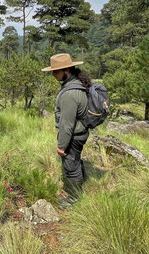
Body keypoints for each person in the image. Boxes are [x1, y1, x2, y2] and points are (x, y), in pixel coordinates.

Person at [42, 53, 91, 207]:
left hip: (73, 135)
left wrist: (61, 146)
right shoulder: (77, 84)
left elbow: (67, 125)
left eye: (55, 71)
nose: (53, 74)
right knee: (75, 161)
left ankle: (74, 199)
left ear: (67, 70)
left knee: (71, 165)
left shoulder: (69, 93)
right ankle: (77, 191)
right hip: (80, 132)